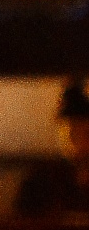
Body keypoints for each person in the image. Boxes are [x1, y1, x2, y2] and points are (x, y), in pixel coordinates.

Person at [12, 79, 89, 218]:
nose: (79, 142)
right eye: (72, 133)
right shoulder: (42, 179)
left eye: (85, 133)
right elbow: (21, 221)